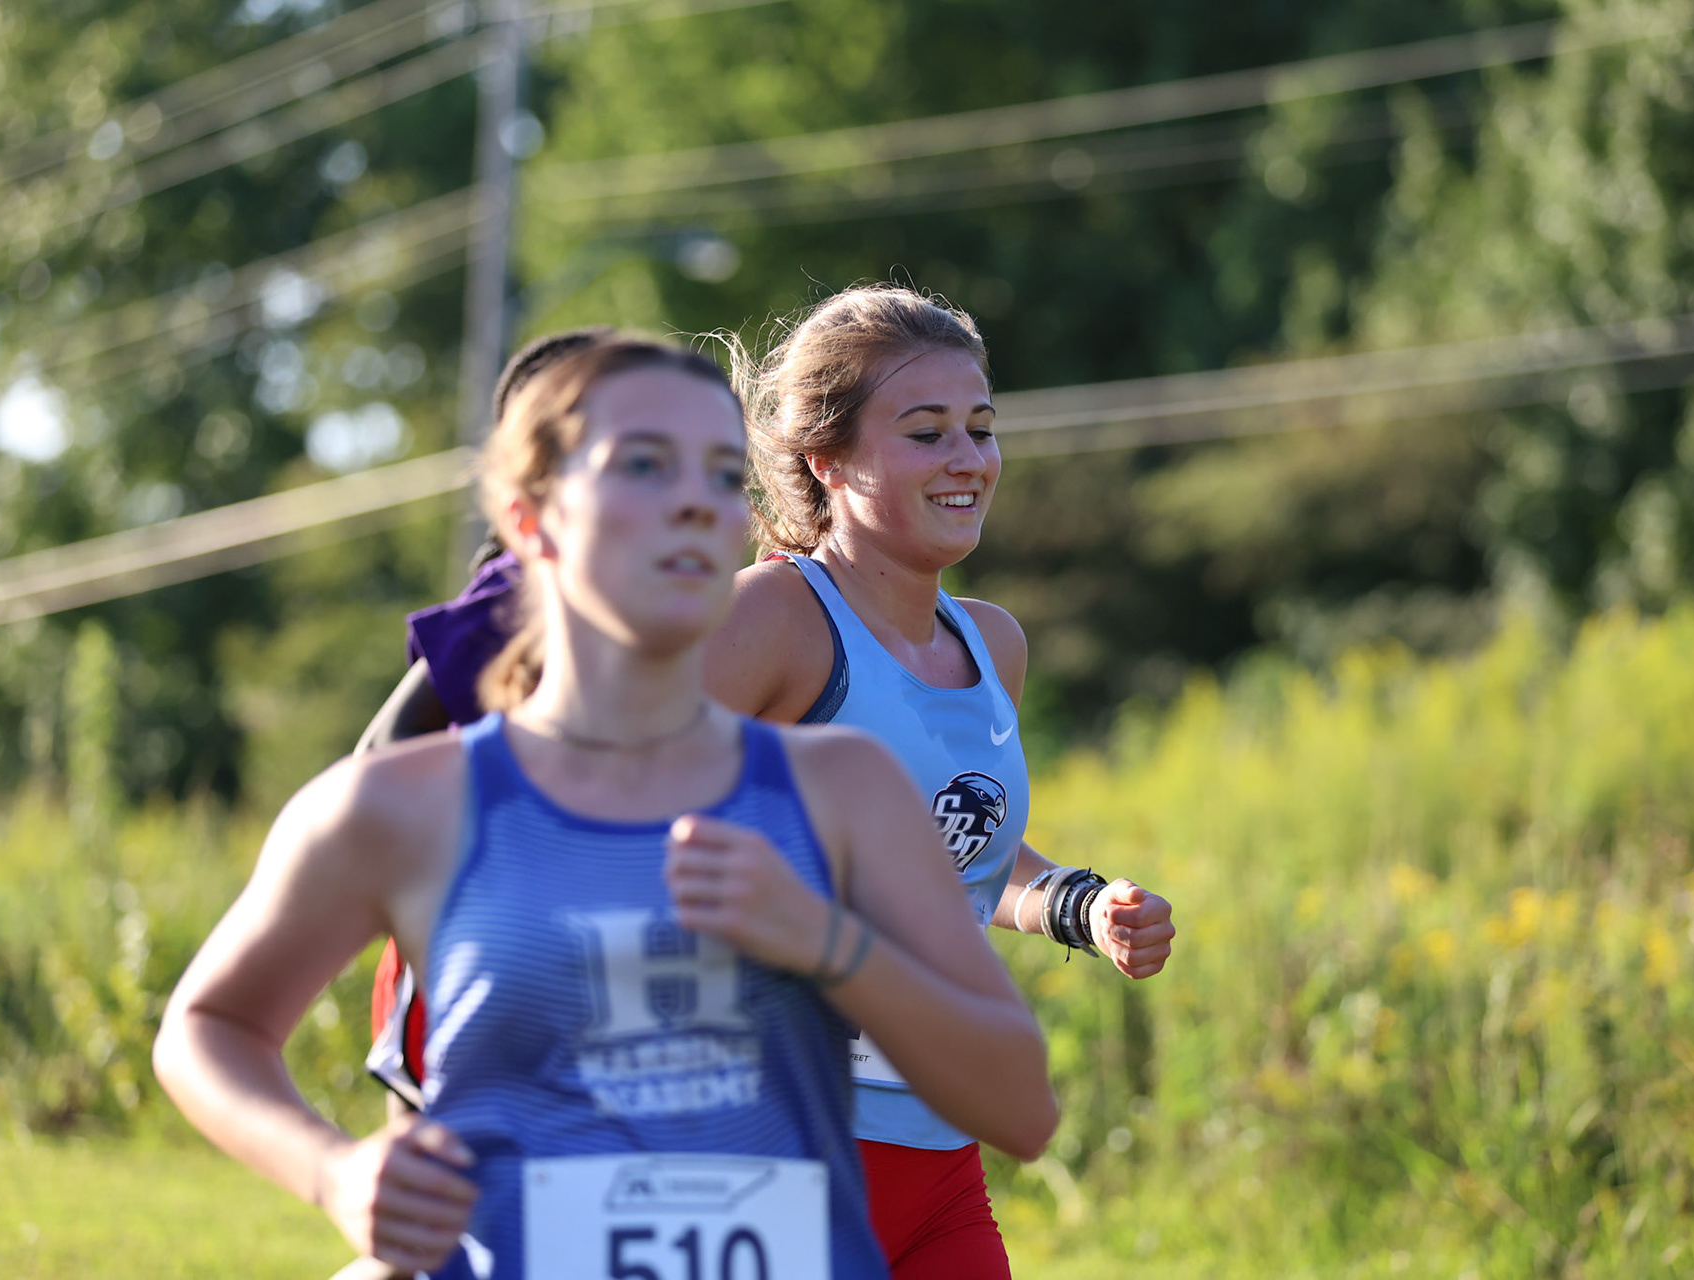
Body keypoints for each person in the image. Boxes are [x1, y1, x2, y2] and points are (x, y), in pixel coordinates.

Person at [154, 331, 1057, 1280]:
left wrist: (828, 945)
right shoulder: (395, 810)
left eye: (717, 474)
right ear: (529, 517)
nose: (694, 504)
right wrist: (336, 1174)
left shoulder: (842, 786)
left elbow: (1020, 1105)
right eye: (642, 466)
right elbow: (206, 1029)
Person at [359, 289, 1175, 1278]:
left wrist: (1077, 904)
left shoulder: (991, 642)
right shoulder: (776, 621)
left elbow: (955, 852)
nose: (967, 456)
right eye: (926, 432)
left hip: (938, 1146)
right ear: (827, 459)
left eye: (981, 426)